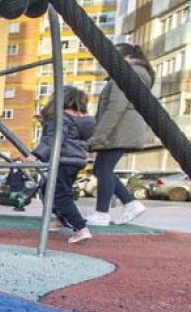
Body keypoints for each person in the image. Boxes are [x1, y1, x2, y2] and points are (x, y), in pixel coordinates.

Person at [87, 43, 155, 226]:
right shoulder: (135, 73)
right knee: (100, 169)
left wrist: (99, 136)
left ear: (126, 57)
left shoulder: (126, 74)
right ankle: (130, 204)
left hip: (119, 129)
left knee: (104, 170)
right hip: (122, 128)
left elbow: (116, 106)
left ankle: (102, 213)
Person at [22, 86, 96, 244]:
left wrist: (36, 154)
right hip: (75, 161)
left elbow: (55, 138)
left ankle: (81, 228)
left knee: (60, 195)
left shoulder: (60, 117)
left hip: (62, 160)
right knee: (46, 187)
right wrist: (45, 123)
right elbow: (71, 137)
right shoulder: (82, 120)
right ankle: (61, 219)